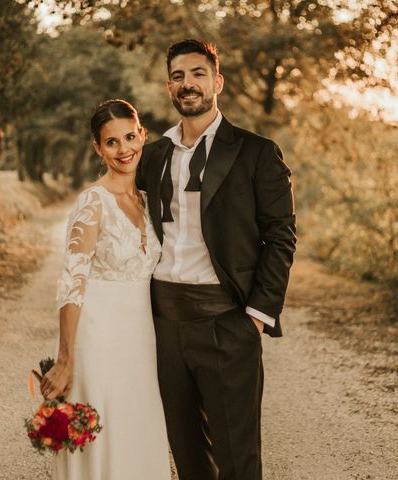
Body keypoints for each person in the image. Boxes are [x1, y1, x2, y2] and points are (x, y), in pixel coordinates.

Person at [136, 39, 296, 480]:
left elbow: (281, 235)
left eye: (198, 74)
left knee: (238, 459)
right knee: (187, 458)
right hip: (164, 324)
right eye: (178, 76)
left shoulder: (256, 152)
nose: (188, 84)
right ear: (169, 86)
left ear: (217, 81)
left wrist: (256, 317)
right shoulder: (153, 155)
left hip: (228, 322)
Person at [41, 99, 170, 479]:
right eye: (111, 142)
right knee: (101, 436)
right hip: (97, 340)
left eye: (130, 137)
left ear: (142, 135)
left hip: (141, 341)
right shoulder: (92, 203)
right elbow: (72, 283)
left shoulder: (148, 201)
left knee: (137, 430)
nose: (124, 149)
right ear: (98, 148)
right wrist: (65, 360)